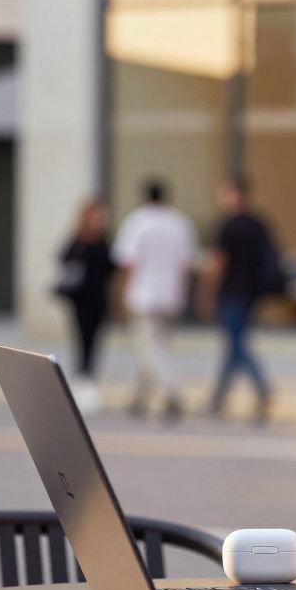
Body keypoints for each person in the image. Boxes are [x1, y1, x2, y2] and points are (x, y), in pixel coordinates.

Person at [112, 178, 197, 424]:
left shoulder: (137, 222)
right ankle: (139, 398)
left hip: (143, 295)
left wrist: (122, 294)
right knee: (155, 349)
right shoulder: (180, 223)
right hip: (171, 295)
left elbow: (128, 263)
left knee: (149, 349)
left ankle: (172, 391)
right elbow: (187, 264)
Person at [201, 174, 274, 424]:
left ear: (234, 194)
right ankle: (219, 397)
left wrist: (207, 292)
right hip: (251, 292)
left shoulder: (228, 225)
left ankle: (262, 388)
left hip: (232, 291)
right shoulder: (258, 223)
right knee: (234, 343)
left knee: (237, 344)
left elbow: (218, 262)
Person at [56, 196, 116, 415]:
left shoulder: (104, 242)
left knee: (95, 344)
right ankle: (82, 384)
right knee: (82, 342)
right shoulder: (78, 241)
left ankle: (88, 382)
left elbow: (112, 268)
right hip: (80, 301)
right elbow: (64, 260)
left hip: (99, 300)